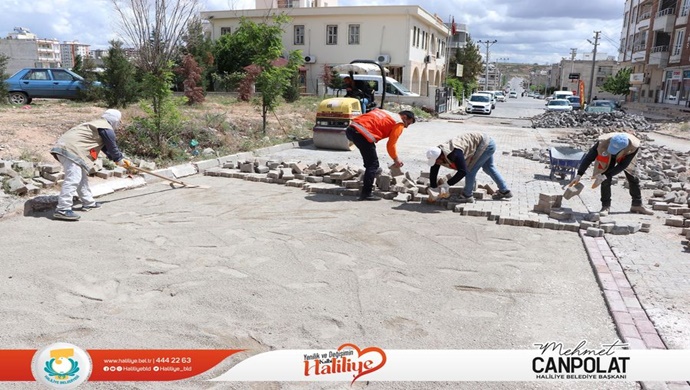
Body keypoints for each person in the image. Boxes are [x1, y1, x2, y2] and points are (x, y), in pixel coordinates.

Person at [50, 109, 132, 221]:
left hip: (68, 148)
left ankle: (88, 202)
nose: (119, 124)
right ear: (114, 120)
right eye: (119, 121)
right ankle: (62, 209)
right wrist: (119, 159)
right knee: (73, 179)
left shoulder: (97, 126)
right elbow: (112, 147)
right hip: (71, 149)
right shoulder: (106, 129)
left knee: (81, 178)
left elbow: (106, 149)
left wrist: (117, 159)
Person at [568, 132, 653, 216]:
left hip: (625, 155)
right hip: (607, 155)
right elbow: (588, 158)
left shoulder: (633, 147)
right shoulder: (602, 143)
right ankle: (605, 206)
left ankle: (637, 205)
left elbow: (623, 165)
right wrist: (579, 174)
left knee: (633, 177)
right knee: (605, 178)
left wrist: (606, 175)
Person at [345, 109, 416, 201]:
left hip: (350, 130)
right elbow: (391, 144)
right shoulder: (399, 123)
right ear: (404, 117)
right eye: (408, 124)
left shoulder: (385, 112)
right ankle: (366, 193)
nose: (406, 127)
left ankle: (371, 176)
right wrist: (396, 159)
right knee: (373, 164)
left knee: (370, 161)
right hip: (361, 134)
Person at [426, 132, 512, 203]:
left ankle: (467, 195)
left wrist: (447, 185)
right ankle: (505, 191)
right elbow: (434, 169)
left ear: (440, 156)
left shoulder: (454, 153)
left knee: (470, 170)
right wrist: (433, 187)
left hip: (485, 145)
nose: (436, 163)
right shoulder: (438, 153)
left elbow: (463, 171)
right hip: (487, 141)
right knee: (488, 168)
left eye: (436, 161)